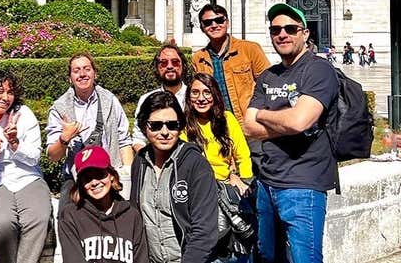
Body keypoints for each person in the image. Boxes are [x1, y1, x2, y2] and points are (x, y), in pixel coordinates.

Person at [244, 3, 339, 263]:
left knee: (303, 259)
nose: (282, 34)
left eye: (290, 29)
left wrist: (264, 115)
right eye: (276, 30)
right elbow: (249, 126)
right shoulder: (267, 76)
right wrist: (286, 120)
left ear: (305, 33)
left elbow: (299, 121)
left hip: (304, 184)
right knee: (266, 257)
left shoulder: (318, 69)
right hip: (266, 181)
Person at [0, 69, 52, 263]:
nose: (5, 97)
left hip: (27, 177)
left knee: (38, 218)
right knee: (2, 222)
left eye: (10, 92)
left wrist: (15, 143)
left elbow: (35, 157)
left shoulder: (23, 114)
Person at [130, 91, 219, 263]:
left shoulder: (196, 165)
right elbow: (135, 219)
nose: (165, 132)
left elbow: (204, 232)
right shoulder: (139, 163)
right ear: (143, 127)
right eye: (155, 125)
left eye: (172, 125)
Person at [45, 53, 133, 210]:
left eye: (87, 69)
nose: (82, 74)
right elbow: (52, 156)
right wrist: (64, 139)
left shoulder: (110, 101)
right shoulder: (59, 108)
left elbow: (124, 140)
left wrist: (127, 174)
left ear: (94, 73)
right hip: (75, 177)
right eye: (76, 70)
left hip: (109, 173)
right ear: (70, 77)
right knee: (66, 213)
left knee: (126, 211)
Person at [182, 73, 254, 262]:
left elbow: (242, 155)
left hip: (225, 192)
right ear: (189, 97)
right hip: (197, 194)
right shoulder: (183, 124)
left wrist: (244, 182)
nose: (201, 98)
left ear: (214, 95)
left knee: (232, 247)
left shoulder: (227, 119)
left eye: (207, 92)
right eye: (195, 92)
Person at [58, 146, 149, 263]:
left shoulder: (132, 215)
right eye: (87, 178)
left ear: (111, 175)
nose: (94, 182)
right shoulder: (70, 215)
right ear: (80, 183)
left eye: (99, 174)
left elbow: (141, 259)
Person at [192, 4, 270, 124]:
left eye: (219, 20)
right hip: (216, 125)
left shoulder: (250, 49)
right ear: (202, 27)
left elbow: (268, 86)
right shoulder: (198, 58)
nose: (214, 25)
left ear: (227, 22)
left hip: (249, 124)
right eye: (208, 22)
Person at [132, 44, 190, 152]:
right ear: (157, 68)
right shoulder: (146, 99)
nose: (169, 66)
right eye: (163, 63)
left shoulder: (193, 97)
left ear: (183, 65)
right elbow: (138, 139)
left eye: (175, 62)